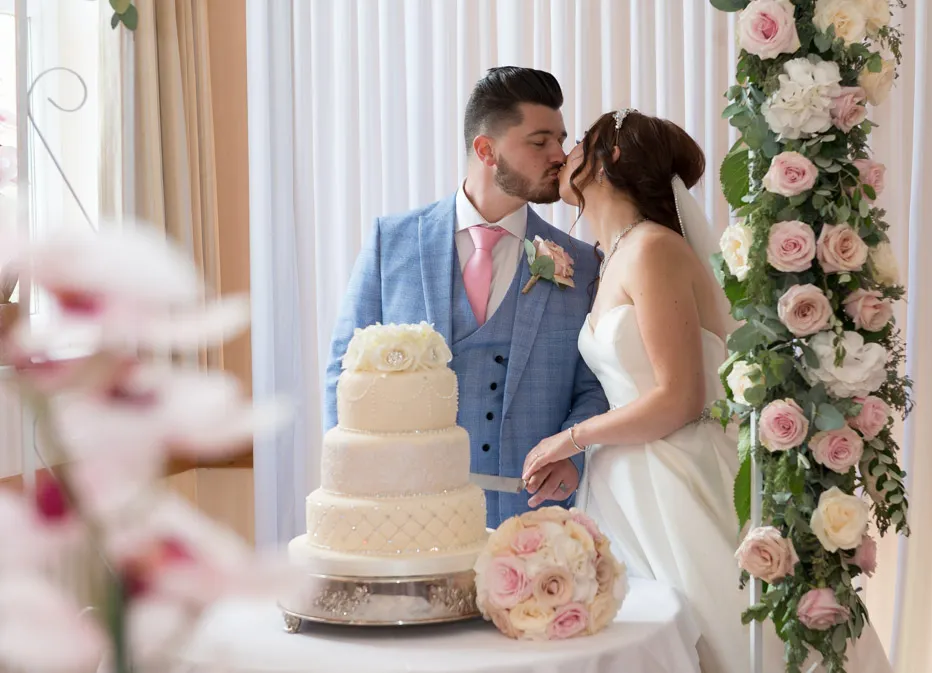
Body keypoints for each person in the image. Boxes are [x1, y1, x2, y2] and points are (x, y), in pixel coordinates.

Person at [520, 108, 893, 673]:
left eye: (581, 142)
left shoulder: (652, 249)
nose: (567, 153)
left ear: (611, 157)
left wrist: (569, 439)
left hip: (674, 481)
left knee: (719, 641)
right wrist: (586, 453)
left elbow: (679, 397)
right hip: (626, 485)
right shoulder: (616, 253)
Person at [323, 67, 609, 527]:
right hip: (405, 515)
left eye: (561, 138)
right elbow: (345, 369)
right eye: (540, 142)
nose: (560, 155)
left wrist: (573, 456)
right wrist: (356, 484)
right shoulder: (390, 242)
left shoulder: (582, 262)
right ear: (486, 150)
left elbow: (596, 382)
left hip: (535, 519)